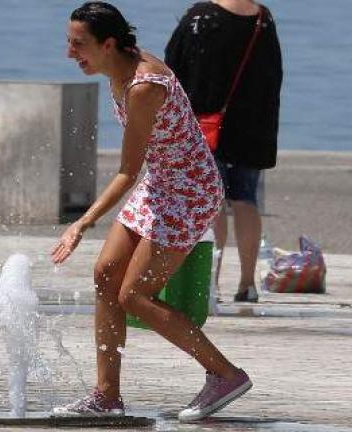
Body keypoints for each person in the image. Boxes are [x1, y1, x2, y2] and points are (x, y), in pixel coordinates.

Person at [50, 2, 251, 422]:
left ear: (109, 44)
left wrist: (82, 223)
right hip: (161, 182)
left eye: (79, 44)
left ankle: (225, 374)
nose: (71, 53)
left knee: (135, 295)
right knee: (106, 274)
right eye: (69, 43)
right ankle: (106, 394)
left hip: (190, 192)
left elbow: (126, 171)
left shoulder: (143, 86)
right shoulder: (115, 69)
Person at [165, 0, 283, 303]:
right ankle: (247, 284)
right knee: (246, 199)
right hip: (252, 126)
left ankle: (210, 282)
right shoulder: (262, 19)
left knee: (212, 201)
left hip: (207, 124)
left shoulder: (200, 17)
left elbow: (175, 67)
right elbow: (273, 76)